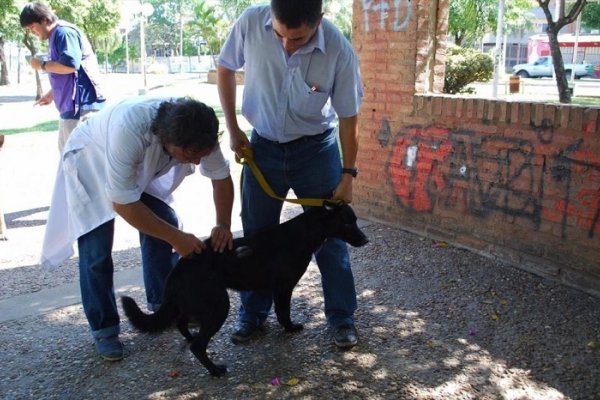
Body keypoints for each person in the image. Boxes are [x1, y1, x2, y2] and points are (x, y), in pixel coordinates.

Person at [40, 96, 235, 361]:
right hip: (92, 161)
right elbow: (124, 205)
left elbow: (221, 177)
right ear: (169, 141)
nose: (198, 162)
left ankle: (165, 306)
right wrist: (176, 238)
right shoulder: (129, 131)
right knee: (96, 249)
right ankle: (104, 329)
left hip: (133, 165)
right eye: (191, 156)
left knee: (165, 219)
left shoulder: (199, 132)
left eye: (202, 154)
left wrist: (223, 223)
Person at [217, 0, 363, 348]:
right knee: (256, 237)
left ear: (319, 22)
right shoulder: (251, 22)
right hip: (262, 147)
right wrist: (234, 127)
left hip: (317, 151)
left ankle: (341, 318)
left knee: (331, 239)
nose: (286, 45)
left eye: (297, 39)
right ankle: (253, 314)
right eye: (280, 35)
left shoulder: (339, 50)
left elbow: (349, 117)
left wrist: (348, 175)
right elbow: (225, 67)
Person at [20, 2, 106, 153]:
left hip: (82, 107)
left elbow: (71, 65)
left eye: (32, 27)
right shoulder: (56, 36)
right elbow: (68, 72)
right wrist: (53, 93)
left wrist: (41, 64)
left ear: (45, 20)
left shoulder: (64, 33)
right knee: (68, 161)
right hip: (72, 108)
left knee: (76, 163)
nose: (32, 32)